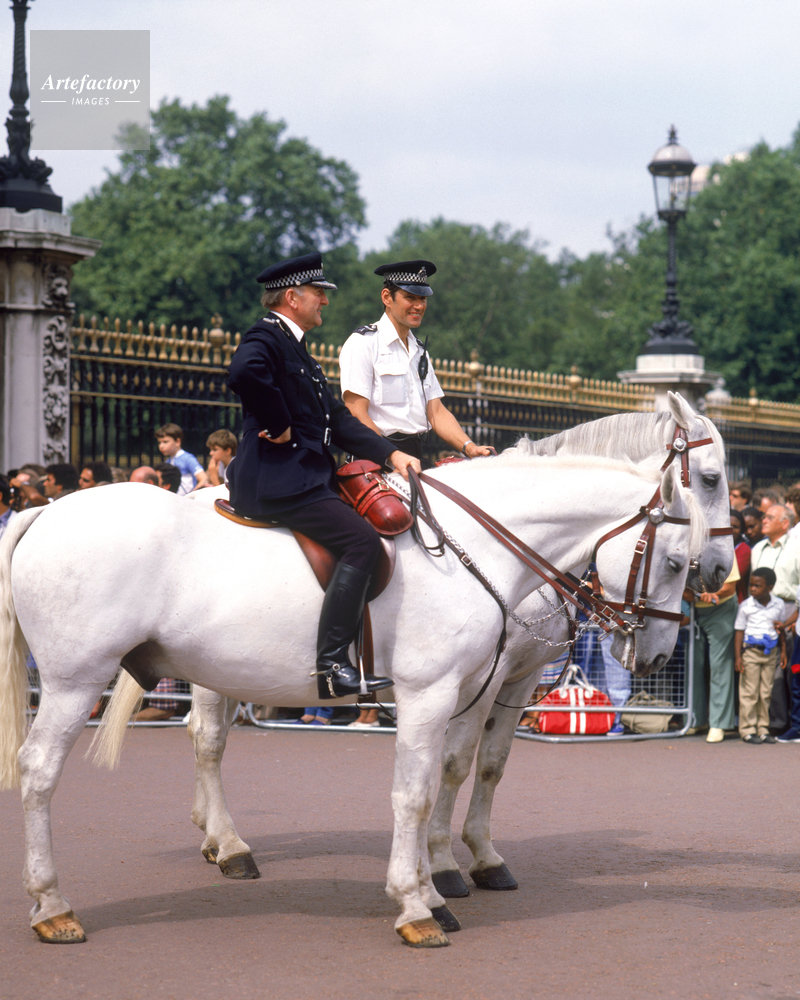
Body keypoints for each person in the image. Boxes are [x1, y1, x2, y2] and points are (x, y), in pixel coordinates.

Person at [226, 251, 420, 700]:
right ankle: (332, 664)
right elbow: (243, 372)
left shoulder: (297, 349)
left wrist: (392, 455)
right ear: (292, 297)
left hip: (302, 477)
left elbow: (340, 421)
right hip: (280, 481)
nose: (325, 302)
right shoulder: (267, 336)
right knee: (362, 542)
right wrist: (278, 422)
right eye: (318, 293)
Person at [338, 259, 495, 463]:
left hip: (414, 457)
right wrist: (390, 456)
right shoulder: (363, 343)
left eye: (423, 298)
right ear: (387, 297)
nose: (419, 306)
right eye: (410, 297)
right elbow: (356, 413)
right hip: (374, 459)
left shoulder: (420, 351)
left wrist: (470, 447)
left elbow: (436, 412)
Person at [688, 559, 740, 743]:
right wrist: (694, 594)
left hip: (721, 608)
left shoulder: (723, 545)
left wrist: (706, 592)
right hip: (694, 610)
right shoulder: (686, 544)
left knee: (720, 666)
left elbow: (730, 587)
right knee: (694, 665)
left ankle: (719, 723)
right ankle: (696, 720)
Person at [734, 567, 786, 744]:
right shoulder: (746, 606)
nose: (753, 589)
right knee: (750, 692)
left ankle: (763, 728)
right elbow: (739, 631)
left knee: (765, 692)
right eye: (751, 585)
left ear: (770, 587)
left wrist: (783, 651)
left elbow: (781, 630)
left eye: (758, 586)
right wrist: (738, 657)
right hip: (751, 652)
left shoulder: (778, 604)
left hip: (771, 653)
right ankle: (747, 730)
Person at [155, 423, 208, 495]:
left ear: (177, 442)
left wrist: (192, 495)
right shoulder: (168, 462)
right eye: (159, 442)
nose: (161, 446)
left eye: (165, 442)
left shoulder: (188, 459)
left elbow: (203, 478)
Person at [730, 508, 750, 603]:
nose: (731, 530)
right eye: (728, 525)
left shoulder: (743, 549)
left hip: (734, 599)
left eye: (736, 527)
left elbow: (735, 578)